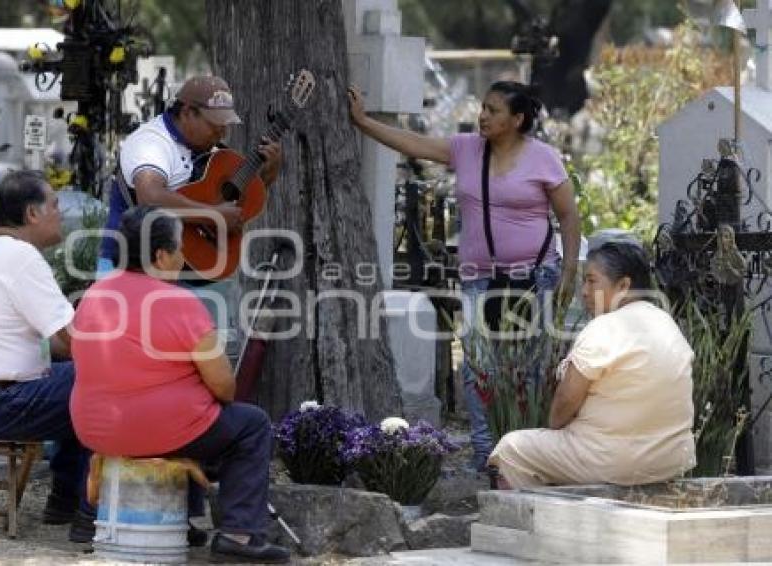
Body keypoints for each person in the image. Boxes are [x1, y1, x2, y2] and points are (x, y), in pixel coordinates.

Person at [348, 81, 581, 470]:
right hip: (479, 279)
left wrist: (569, 272)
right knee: (476, 367)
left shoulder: (543, 158)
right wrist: (362, 122)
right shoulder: (466, 149)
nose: (483, 115)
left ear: (517, 119)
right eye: (483, 108)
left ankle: (529, 453)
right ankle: (485, 455)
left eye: (493, 110)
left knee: (530, 369)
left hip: (535, 275)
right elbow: (412, 144)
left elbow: (568, 216)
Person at [71, 206, 290, 563]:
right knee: (250, 425)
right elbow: (225, 387)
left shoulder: (95, 294)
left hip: (94, 430)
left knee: (189, 417)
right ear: (160, 255)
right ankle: (240, 534)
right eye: (178, 247)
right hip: (159, 430)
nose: (184, 255)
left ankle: (182, 519)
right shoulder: (179, 302)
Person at [0, 170, 93, 541]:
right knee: (100, 380)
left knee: (76, 372)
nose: (61, 214)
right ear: (32, 214)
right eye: (54, 205)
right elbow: (75, 342)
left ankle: (64, 498)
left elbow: (55, 347)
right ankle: (91, 512)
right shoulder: (22, 258)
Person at [489, 242, 697, 488]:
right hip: (671, 460)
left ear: (623, 286)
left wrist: (556, 427)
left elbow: (565, 403)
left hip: (615, 461)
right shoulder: (666, 323)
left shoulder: (606, 326)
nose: (584, 291)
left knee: (510, 450)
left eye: (591, 281)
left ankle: (543, 522)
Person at [97, 75, 282, 275]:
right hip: (129, 267)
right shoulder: (151, 143)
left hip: (186, 267)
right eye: (215, 124)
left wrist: (265, 176)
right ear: (187, 112)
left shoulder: (208, 150)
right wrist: (212, 215)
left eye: (225, 125)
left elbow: (231, 207)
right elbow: (149, 198)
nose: (222, 133)